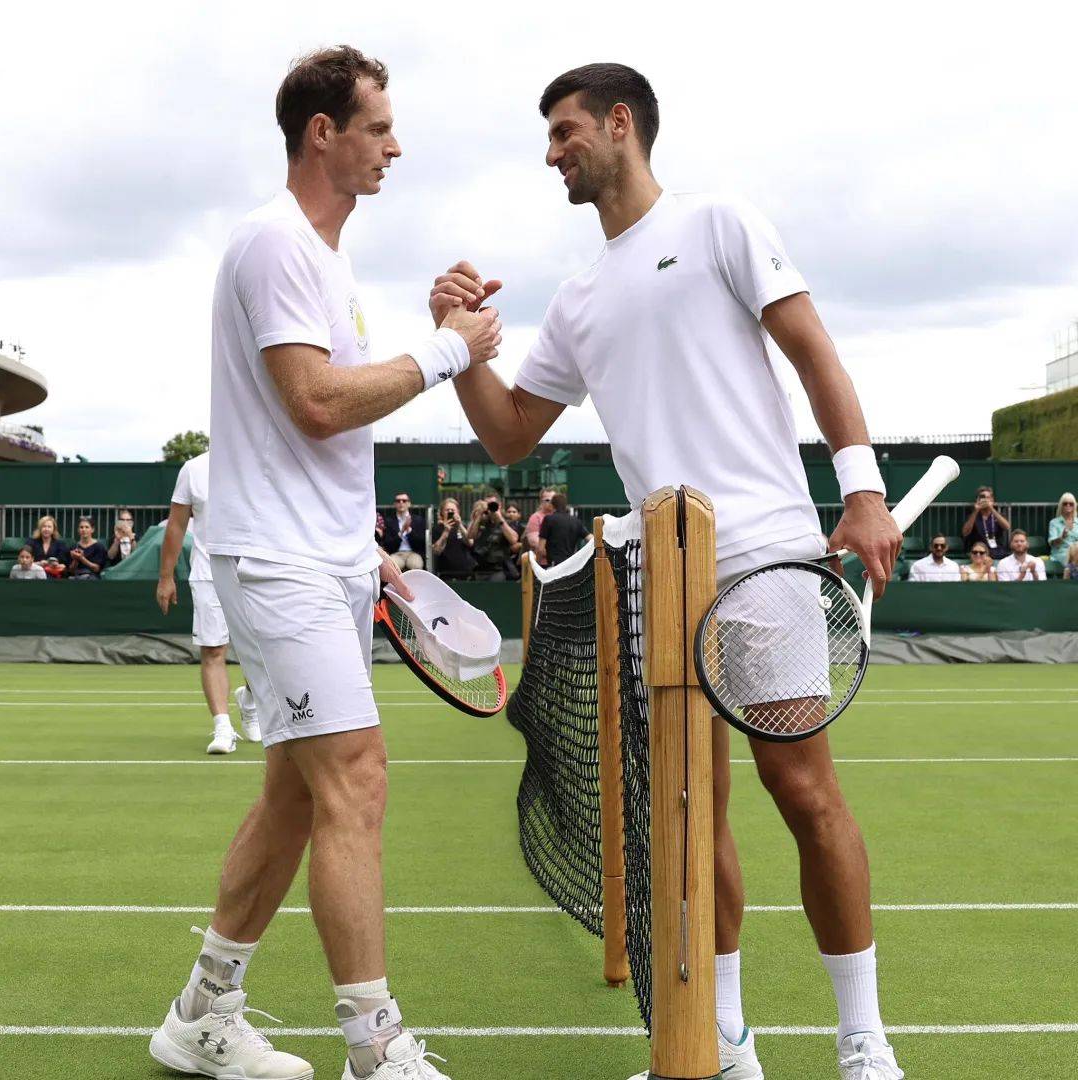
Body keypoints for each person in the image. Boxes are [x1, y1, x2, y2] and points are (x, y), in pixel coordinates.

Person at [432, 63, 905, 1080]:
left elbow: (815, 351)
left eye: (565, 131)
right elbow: (512, 434)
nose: (553, 152)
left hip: (766, 558)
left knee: (804, 791)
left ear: (619, 123)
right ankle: (721, 1043)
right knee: (692, 810)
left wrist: (861, 491)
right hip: (661, 575)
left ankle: (863, 1039)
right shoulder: (575, 299)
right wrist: (459, 348)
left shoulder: (721, 223)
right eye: (548, 138)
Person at [149, 46, 499, 1080]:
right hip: (277, 569)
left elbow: (327, 436)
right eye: (378, 126)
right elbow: (313, 403)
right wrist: (447, 351)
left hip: (331, 563)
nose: (395, 144)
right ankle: (374, 1048)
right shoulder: (272, 245)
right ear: (322, 133)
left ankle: (201, 1013)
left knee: (298, 797)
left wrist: (376, 554)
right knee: (357, 777)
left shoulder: (326, 261)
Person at [156, 452, 262, 754]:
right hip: (208, 573)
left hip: (260, 573)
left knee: (265, 651)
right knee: (213, 649)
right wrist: (166, 577)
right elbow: (176, 525)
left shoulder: (265, 460)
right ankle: (222, 726)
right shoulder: (194, 469)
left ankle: (250, 699)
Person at [467, 493, 519, 580]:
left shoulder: (506, 523)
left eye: (493, 504)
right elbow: (470, 536)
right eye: (488, 504)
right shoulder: (481, 522)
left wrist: (499, 518)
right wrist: (479, 516)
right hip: (480, 569)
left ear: (500, 505)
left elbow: (514, 539)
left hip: (498, 569)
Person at [538, 492, 591, 566]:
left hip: (554, 564)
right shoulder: (576, 521)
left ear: (552, 505)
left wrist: (538, 564)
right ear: (565, 506)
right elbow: (590, 539)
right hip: (570, 564)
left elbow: (540, 548)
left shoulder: (548, 519)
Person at [430, 497, 475, 579]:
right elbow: (436, 550)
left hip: (465, 573)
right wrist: (446, 532)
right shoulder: (437, 528)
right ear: (442, 512)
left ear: (458, 512)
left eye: (453, 510)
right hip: (445, 573)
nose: (450, 512)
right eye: (447, 510)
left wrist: (460, 525)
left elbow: (470, 543)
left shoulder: (463, 527)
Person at [961, 485, 1010, 558]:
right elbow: (965, 532)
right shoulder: (972, 516)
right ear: (978, 500)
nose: (985, 500)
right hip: (978, 551)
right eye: (982, 497)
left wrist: (991, 508)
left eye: (988, 497)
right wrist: (976, 510)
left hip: (997, 550)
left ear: (992, 500)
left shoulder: (997, 515)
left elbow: (1007, 527)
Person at [381, 492, 426, 570]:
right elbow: (388, 544)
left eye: (404, 501)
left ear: (409, 503)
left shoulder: (418, 520)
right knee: (390, 567)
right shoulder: (389, 521)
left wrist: (409, 531)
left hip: (413, 553)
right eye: (398, 501)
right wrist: (401, 532)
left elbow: (421, 543)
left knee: (416, 566)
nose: (401, 503)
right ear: (395, 504)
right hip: (396, 554)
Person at [1047, 492, 1078, 573]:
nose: (1068, 505)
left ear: (1074, 506)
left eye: (1071, 504)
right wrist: (1062, 536)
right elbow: (1053, 544)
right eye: (1065, 503)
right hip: (1061, 552)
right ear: (1061, 505)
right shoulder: (1054, 523)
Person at [524, 489, 556, 565]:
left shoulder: (560, 517)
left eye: (554, 499)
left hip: (560, 563)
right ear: (541, 501)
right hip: (542, 564)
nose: (551, 502)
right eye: (547, 500)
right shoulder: (535, 517)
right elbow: (535, 543)